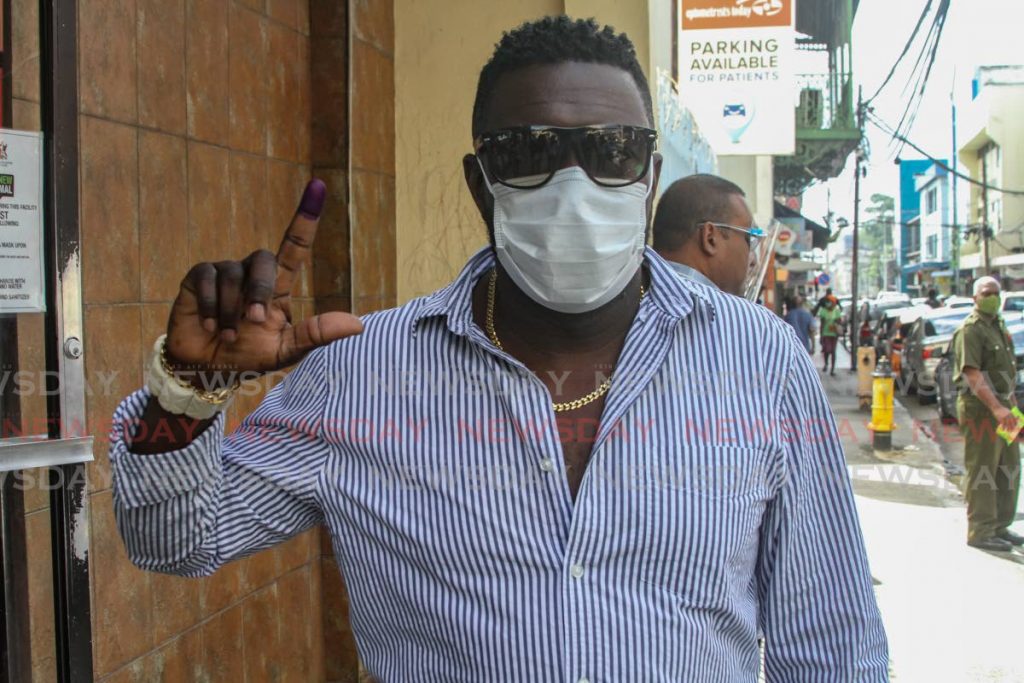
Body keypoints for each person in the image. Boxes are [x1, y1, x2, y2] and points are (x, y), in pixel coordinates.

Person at [108, 17, 887, 680]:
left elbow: (831, 641)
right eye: (530, 153)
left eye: (612, 150)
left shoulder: (759, 361)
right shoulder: (361, 373)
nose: (575, 185)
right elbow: (176, 536)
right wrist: (186, 389)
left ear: (649, 176)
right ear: (481, 184)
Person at [951, 275, 1024, 552]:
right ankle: (981, 529)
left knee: (1008, 468)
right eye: (986, 293)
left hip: (1004, 409)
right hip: (981, 410)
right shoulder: (971, 330)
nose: (992, 296)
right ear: (975, 298)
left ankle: (999, 526)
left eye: (995, 292)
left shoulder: (999, 325)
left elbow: (1006, 372)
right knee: (984, 470)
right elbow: (972, 373)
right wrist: (996, 407)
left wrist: (1010, 407)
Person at [651, 174, 758, 295]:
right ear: (710, 238)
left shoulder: (632, 299)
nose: (753, 261)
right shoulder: (738, 313)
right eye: (748, 238)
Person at [817, 297, 843, 375]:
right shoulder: (823, 311)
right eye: (827, 302)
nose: (828, 304)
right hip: (826, 333)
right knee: (827, 350)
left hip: (834, 334)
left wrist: (837, 322)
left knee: (833, 351)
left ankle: (832, 369)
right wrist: (821, 336)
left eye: (830, 302)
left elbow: (839, 321)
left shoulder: (837, 311)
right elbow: (822, 324)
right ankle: (826, 364)